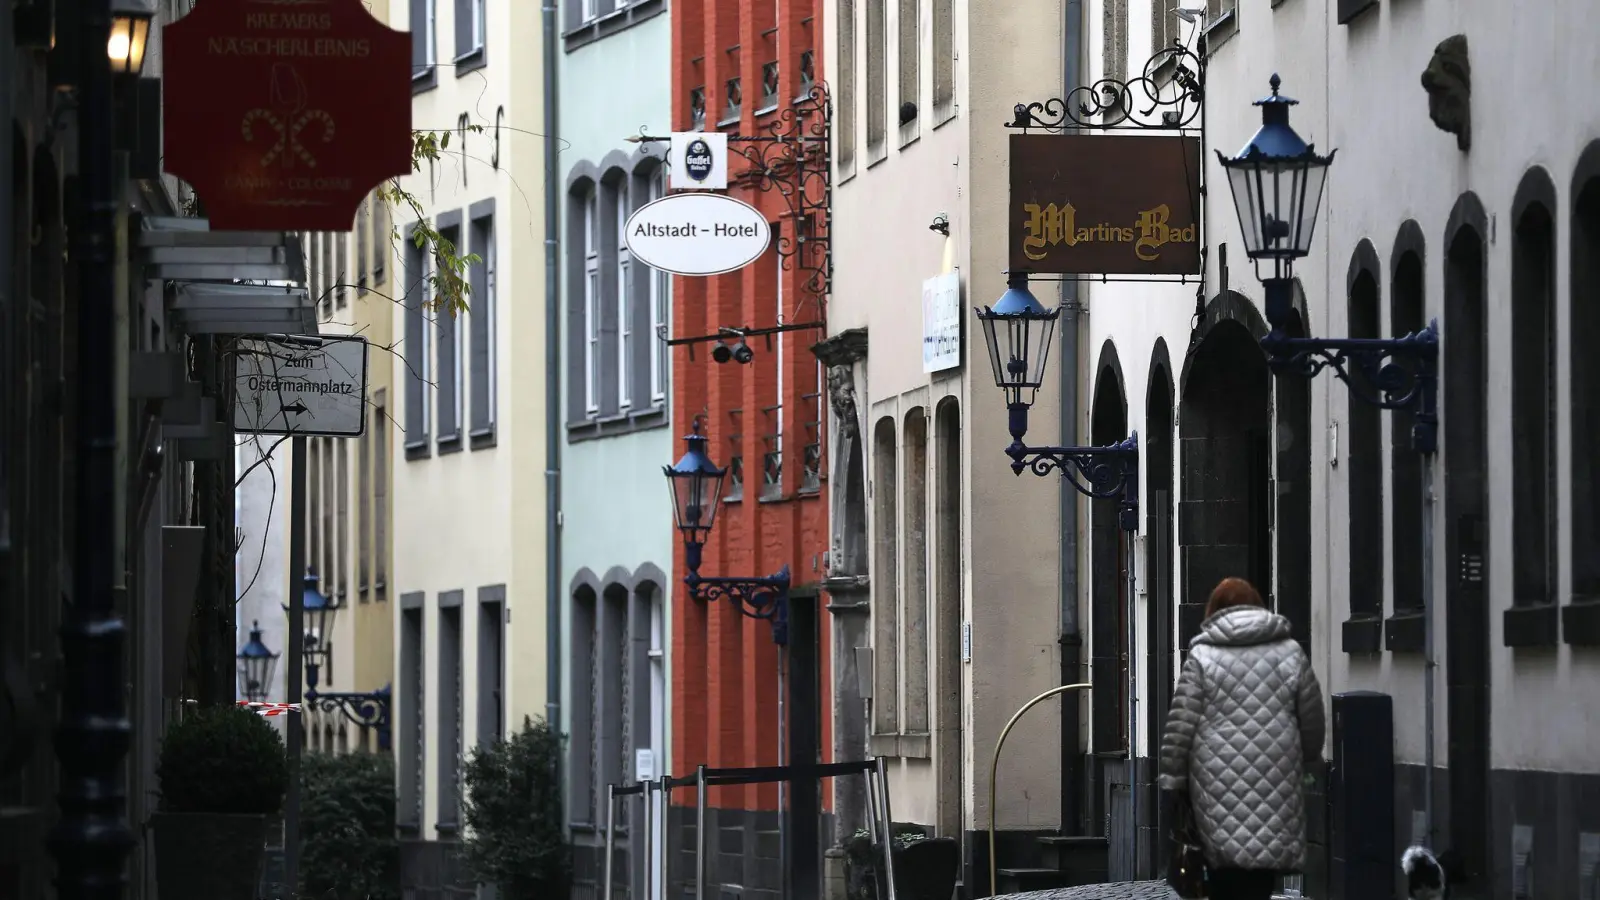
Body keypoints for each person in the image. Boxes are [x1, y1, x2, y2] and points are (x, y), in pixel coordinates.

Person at [1158, 576, 1326, 900]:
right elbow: (1312, 719)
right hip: (1275, 781)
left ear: (1214, 610)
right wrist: (1305, 759)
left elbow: (1180, 727)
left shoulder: (1203, 657)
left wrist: (1173, 780)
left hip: (1215, 786)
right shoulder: (1290, 653)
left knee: (1223, 877)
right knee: (1259, 876)